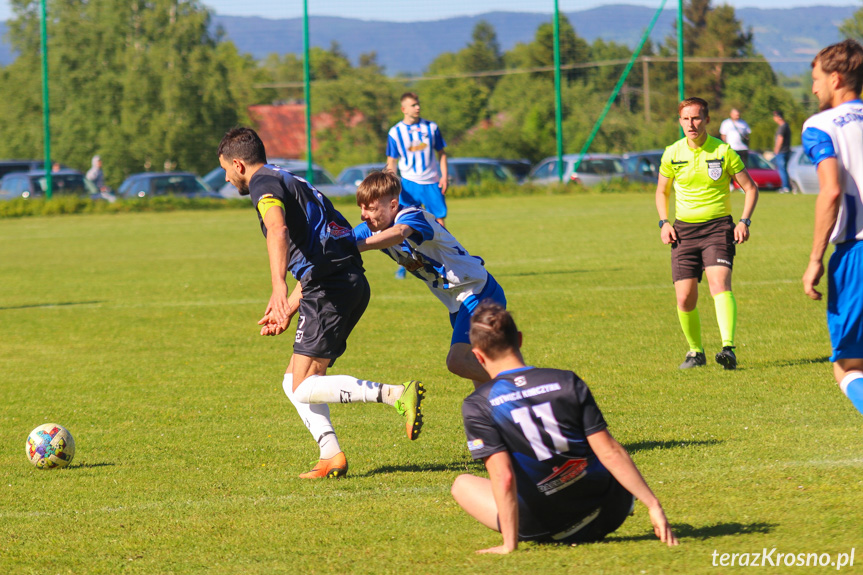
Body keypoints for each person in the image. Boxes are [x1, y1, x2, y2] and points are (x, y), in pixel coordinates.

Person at [217, 127, 425, 479]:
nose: (225, 177)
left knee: (302, 386)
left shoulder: (262, 185)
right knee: (293, 383)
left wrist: (278, 288)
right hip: (341, 282)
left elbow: (278, 230)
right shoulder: (291, 180)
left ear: (238, 164)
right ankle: (330, 455)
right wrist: (288, 306)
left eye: (225, 169)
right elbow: (322, 251)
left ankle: (393, 394)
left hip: (330, 288)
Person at [451, 302, 679, 553]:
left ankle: (535, 526)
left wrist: (509, 545)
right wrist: (653, 505)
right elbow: (610, 451)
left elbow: (503, 477)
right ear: (519, 339)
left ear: (478, 356)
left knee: (461, 484)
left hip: (543, 526)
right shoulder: (565, 380)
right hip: (610, 510)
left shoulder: (478, 404)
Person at [353, 170, 506, 386]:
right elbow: (342, 241)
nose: (363, 215)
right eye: (361, 208)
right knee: (476, 365)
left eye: (370, 208)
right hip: (456, 302)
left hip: (478, 292)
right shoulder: (371, 229)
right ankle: (501, 412)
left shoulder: (413, 216)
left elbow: (399, 233)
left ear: (393, 205)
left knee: (458, 362)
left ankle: (525, 385)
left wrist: (358, 247)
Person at [655, 97, 759, 370]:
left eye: (697, 118)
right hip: (683, 232)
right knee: (684, 297)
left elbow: (751, 188)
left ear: (707, 120)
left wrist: (744, 222)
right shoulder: (672, 153)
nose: (691, 123)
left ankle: (728, 349)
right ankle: (695, 352)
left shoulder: (724, 152)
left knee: (719, 285)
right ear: (680, 121)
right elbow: (662, 191)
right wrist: (664, 222)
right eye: (686, 118)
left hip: (717, 228)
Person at [802, 39, 863, 417]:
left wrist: (814, 259)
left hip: (856, 254)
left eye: (816, 79)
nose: (813, 88)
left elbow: (831, 191)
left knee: (849, 367)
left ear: (836, 78)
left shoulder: (820, 126)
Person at [386, 92, 448, 228]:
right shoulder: (395, 132)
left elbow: (442, 153)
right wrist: (392, 184)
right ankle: (415, 250)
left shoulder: (431, 127)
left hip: (431, 181)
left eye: (418, 104)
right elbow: (391, 160)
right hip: (408, 182)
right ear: (404, 109)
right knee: (408, 222)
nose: (418, 107)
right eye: (413, 105)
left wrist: (444, 176)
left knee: (438, 221)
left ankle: (443, 249)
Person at [772, 110, 792, 193]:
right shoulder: (786, 126)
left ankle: (785, 187)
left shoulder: (782, 127)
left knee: (782, 169)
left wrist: (777, 149)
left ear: (778, 117)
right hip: (786, 150)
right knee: (784, 169)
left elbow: (780, 138)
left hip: (782, 151)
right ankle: (787, 186)